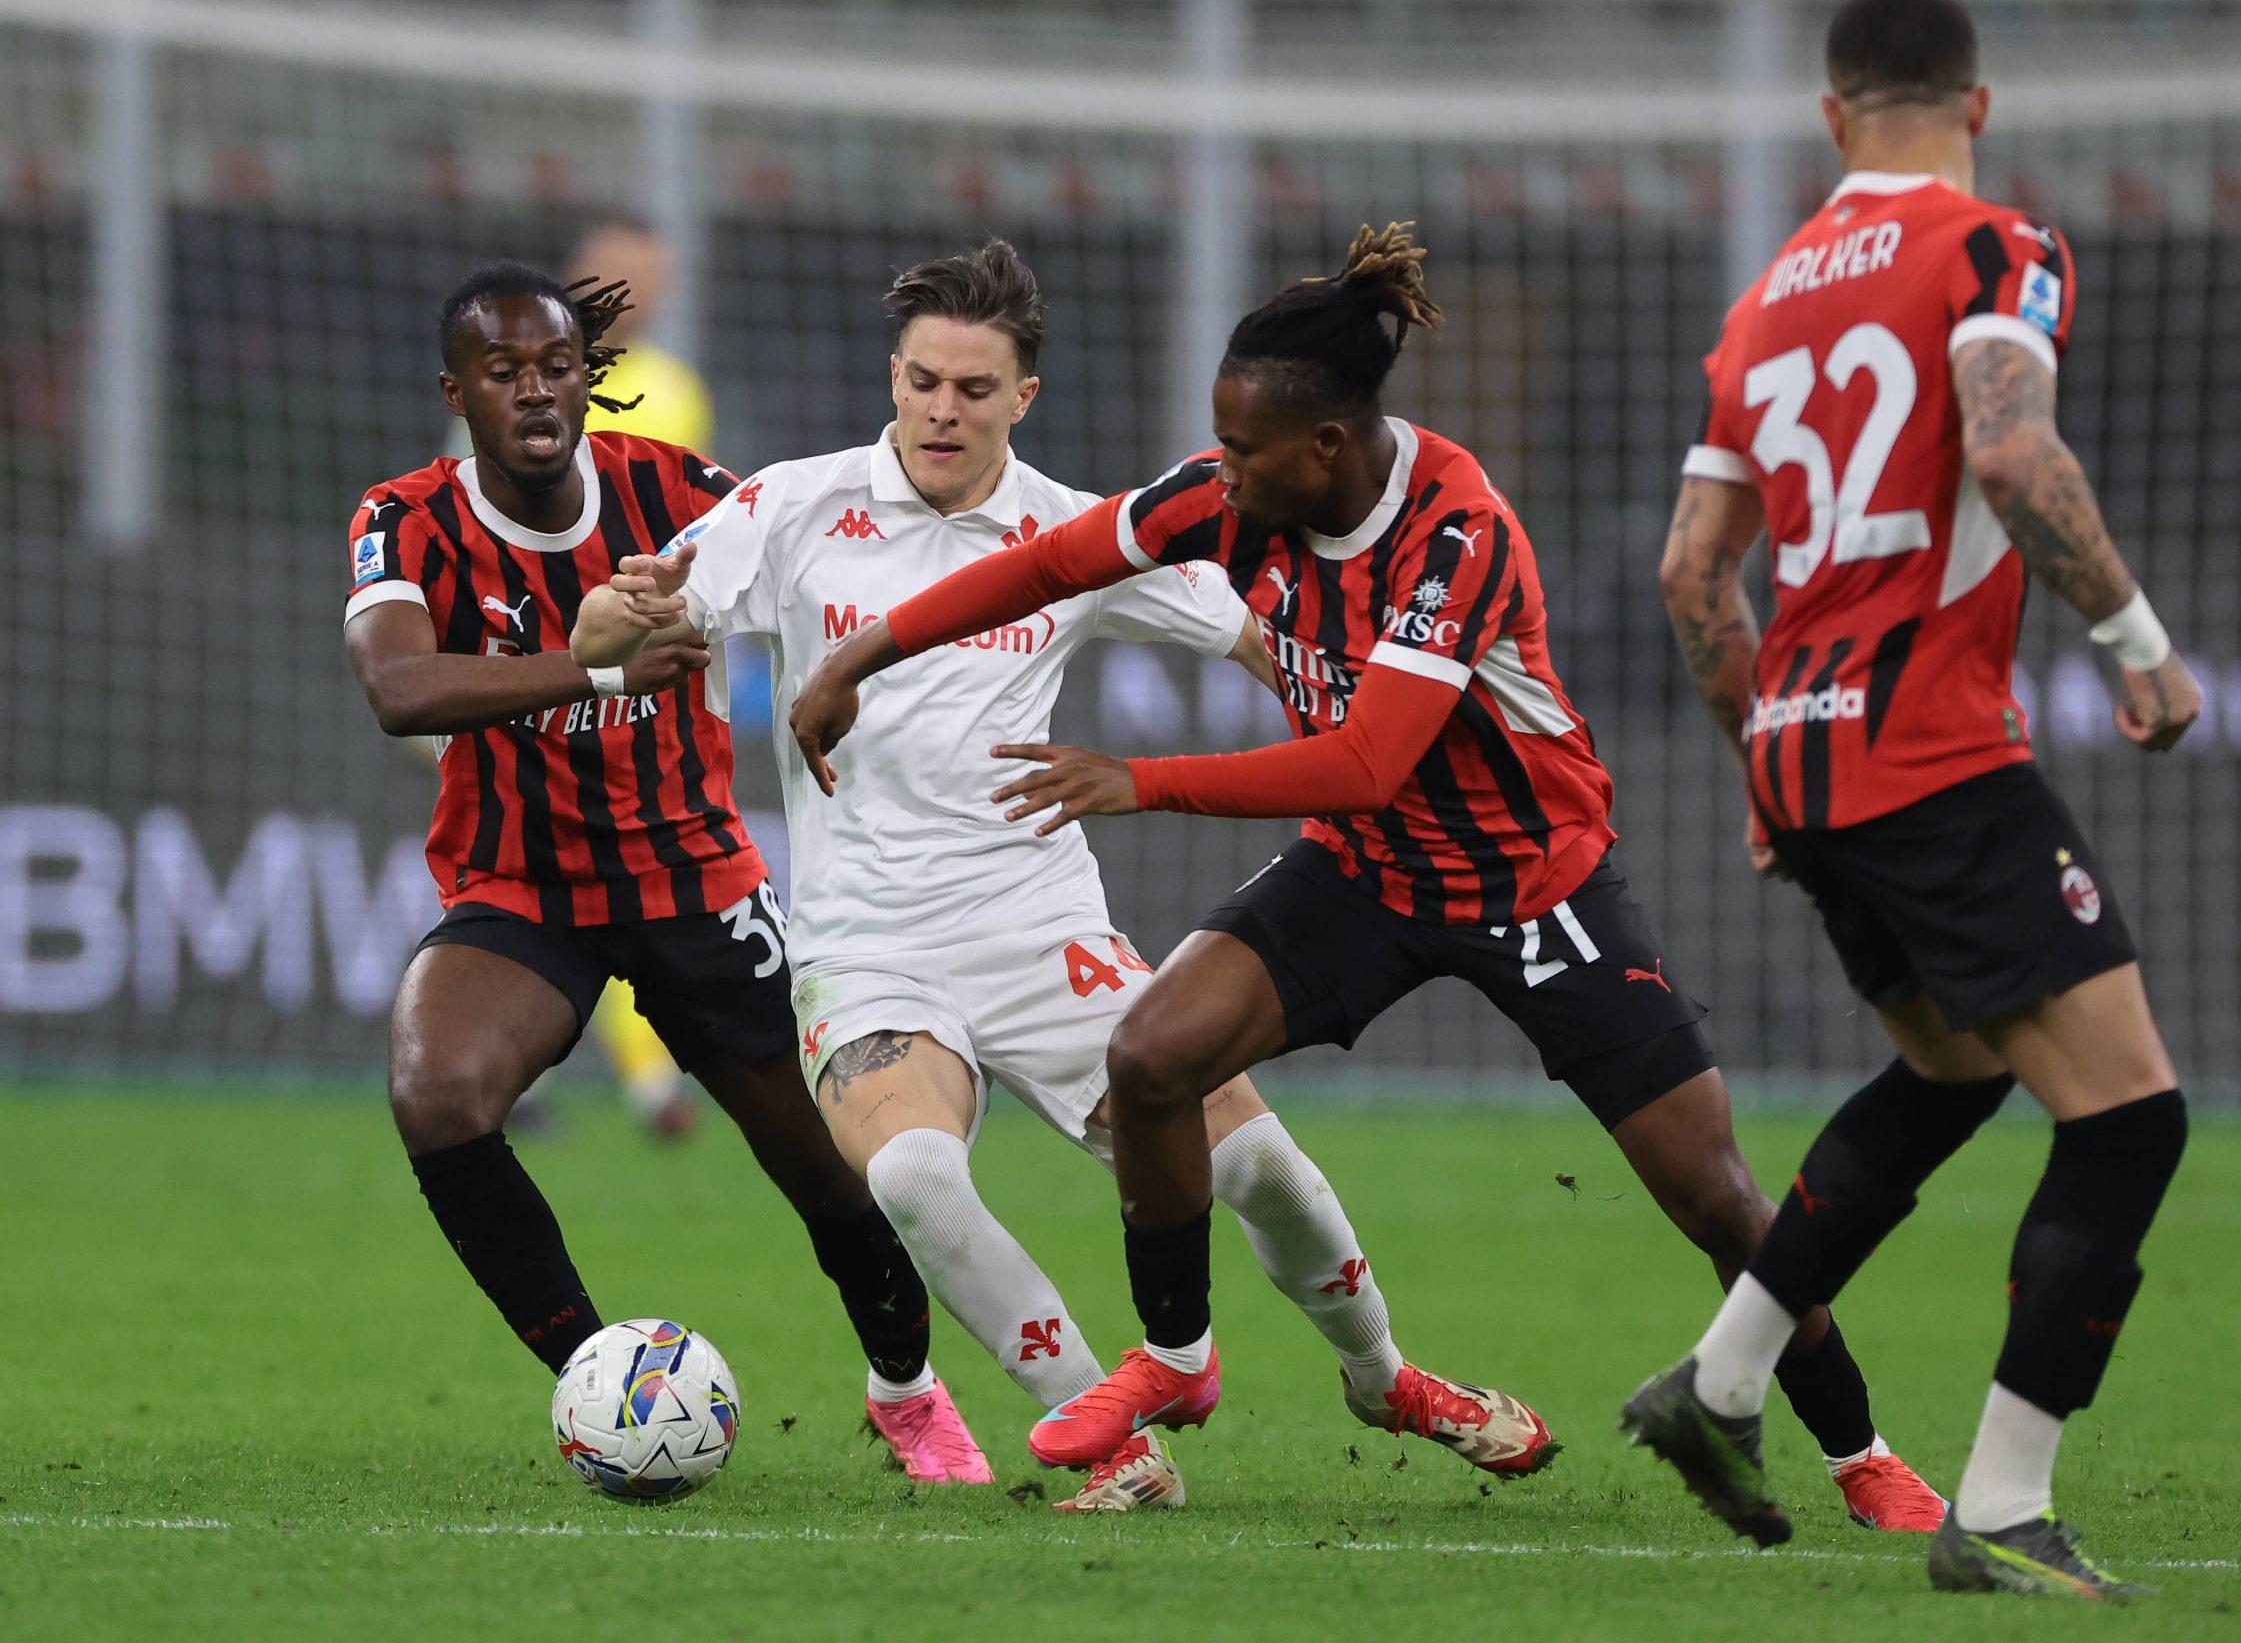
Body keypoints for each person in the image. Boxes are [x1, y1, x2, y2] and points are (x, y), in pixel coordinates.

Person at [784, 225, 1944, 1531]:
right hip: (1369, 876)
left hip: (1529, 882)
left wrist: (1142, 776)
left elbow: (1368, 758)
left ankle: (1862, 1452)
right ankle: (1172, 1356)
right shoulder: (1233, 493)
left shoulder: (1457, 534)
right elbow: (1057, 559)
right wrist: (859, 655)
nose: (1220, 471)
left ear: (1328, 447)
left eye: (1244, 449)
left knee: (1710, 1188)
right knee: (1156, 1050)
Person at [575, 239, 1553, 1513]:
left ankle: (1383, 1373)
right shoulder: (792, 506)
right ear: (894, 374)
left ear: (1022, 396)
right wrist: (626, 606)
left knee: (1258, 1167)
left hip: (1040, 929)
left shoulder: (1070, 530)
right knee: (912, 1176)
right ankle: (1110, 1441)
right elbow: (611, 630)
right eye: (922, 379)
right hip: (864, 941)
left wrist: (1406, 739)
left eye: (974, 389)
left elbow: (1271, 644)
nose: (942, 408)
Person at [1629, 0, 2202, 1601]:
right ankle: (2004, 1510)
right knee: (2132, 1118)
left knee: (1951, 1069)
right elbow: (2011, 458)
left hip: (1807, 753)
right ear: (1978, 102)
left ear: (1829, 114)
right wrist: (2137, 641)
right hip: (1931, 748)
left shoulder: (1758, 308)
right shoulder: (1991, 247)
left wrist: (1760, 763)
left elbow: (1692, 576)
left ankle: (1725, 1383)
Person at [342, 263, 959, 1480]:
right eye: (502, 370)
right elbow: (399, 688)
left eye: (556, 367)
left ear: (589, 379)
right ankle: (601, 1381)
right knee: (436, 1089)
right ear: (454, 389)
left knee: (839, 1170)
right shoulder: (403, 517)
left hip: (696, 880)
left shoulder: (681, 492)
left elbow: (833, 575)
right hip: (521, 891)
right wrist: (606, 669)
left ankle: (910, 1391)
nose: (533, 389)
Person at [563, 218, 720, 1142]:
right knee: (506, 853)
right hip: (520, 648)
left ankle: (649, 1076)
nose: (630, 292)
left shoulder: (671, 391)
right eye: (615, 273)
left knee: (622, 857)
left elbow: (673, 532)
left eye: (646, 278)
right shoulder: (514, 373)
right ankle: (512, 1075)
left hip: (621, 654)